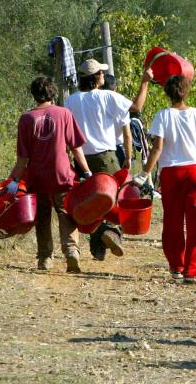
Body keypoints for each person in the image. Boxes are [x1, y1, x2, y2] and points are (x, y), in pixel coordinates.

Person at [138, 74, 196, 284]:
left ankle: (176, 267)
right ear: (186, 91)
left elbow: (157, 148)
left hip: (172, 173)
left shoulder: (162, 116)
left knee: (172, 221)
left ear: (167, 93)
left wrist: (144, 174)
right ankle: (191, 271)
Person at [64, 58, 153, 258]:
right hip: (106, 157)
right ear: (96, 78)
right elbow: (137, 107)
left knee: (92, 202)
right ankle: (110, 232)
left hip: (81, 160)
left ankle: (97, 249)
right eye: (101, 73)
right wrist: (145, 82)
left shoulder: (71, 100)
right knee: (116, 200)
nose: (104, 75)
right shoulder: (107, 97)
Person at [7, 76, 93, 273]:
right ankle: (71, 251)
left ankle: (45, 258)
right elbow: (76, 148)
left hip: (38, 176)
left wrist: (13, 181)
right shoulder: (64, 114)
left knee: (42, 216)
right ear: (53, 93)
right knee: (66, 212)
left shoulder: (26, 119)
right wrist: (87, 172)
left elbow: (22, 159)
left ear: (34, 94)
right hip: (62, 173)